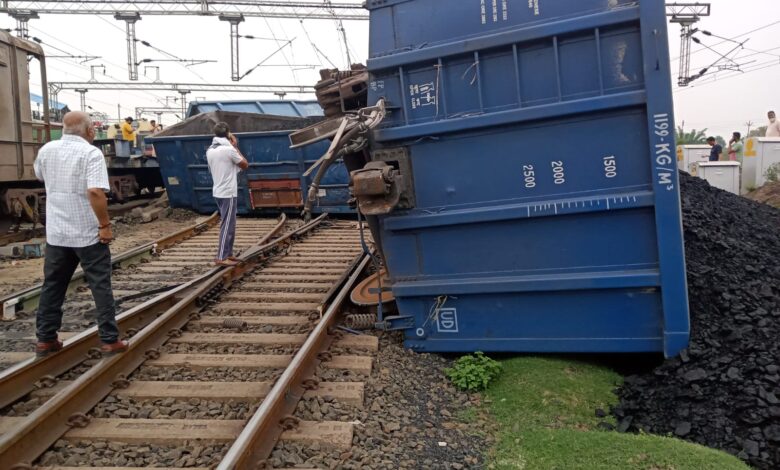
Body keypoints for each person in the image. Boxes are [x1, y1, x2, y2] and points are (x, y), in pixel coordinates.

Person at [33, 111, 128, 357]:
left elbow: (41, 177)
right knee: (100, 285)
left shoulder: (46, 150)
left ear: (64, 129)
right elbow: (95, 192)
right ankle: (109, 339)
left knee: (53, 285)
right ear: (89, 132)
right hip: (88, 233)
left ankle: (45, 339)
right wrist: (105, 225)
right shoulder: (91, 153)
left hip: (58, 233)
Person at [206, 122, 249, 266]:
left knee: (229, 223)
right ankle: (222, 257)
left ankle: (228, 254)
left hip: (218, 191)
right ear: (228, 134)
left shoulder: (210, 150)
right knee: (227, 225)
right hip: (228, 192)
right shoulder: (228, 150)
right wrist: (235, 145)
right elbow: (244, 164)